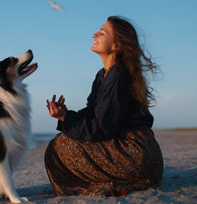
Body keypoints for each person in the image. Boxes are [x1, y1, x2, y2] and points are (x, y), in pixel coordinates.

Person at [44, 16, 163, 197]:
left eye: (101, 33)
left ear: (116, 45)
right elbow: (93, 112)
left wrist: (66, 120)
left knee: (61, 146)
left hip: (137, 155)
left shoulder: (118, 77)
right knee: (60, 144)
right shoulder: (104, 75)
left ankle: (119, 184)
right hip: (134, 152)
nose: (94, 35)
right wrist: (66, 114)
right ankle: (113, 183)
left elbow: (101, 127)